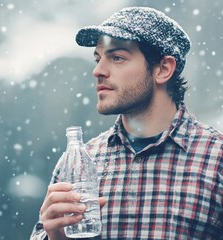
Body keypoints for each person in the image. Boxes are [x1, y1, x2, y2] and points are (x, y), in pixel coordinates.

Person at [30, 6, 223, 240]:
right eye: (98, 58)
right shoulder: (79, 162)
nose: (98, 70)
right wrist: (55, 237)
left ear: (163, 69)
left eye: (117, 58)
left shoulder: (217, 159)